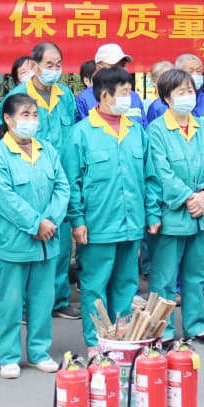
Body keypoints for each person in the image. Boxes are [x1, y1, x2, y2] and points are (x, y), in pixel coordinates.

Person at [0, 94, 70, 378]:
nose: (31, 120)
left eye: (34, 115)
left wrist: (50, 221)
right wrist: (35, 224)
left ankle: (39, 352)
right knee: (9, 303)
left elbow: (62, 187)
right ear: (8, 119)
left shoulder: (47, 150)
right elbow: (5, 198)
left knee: (42, 301)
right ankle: (9, 356)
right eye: (24, 114)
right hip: (13, 241)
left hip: (47, 240)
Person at [65, 67, 147, 352]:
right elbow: (71, 182)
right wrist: (77, 220)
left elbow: (148, 177)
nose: (129, 98)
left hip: (131, 222)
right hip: (97, 224)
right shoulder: (81, 134)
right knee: (95, 286)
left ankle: (121, 341)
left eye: (129, 91)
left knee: (126, 284)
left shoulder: (136, 131)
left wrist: (150, 216)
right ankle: (96, 342)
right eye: (124, 92)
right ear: (104, 95)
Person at [144, 68, 204, 345]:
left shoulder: (202, 127)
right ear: (167, 98)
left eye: (190, 91)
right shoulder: (156, 130)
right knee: (164, 277)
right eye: (181, 92)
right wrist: (189, 198)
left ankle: (196, 325)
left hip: (203, 212)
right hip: (174, 213)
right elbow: (160, 171)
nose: (187, 96)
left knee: (196, 274)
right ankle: (161, 330)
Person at [5, 41, 81, 320]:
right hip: (28, 178)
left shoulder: (65, 95)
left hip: (60, 177)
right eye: (49, 64)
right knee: (29, 241)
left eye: (58, 64)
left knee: (59, 243)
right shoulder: (17, 96)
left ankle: (59, 299)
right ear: (34, 65)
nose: (54, 69)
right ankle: (27, 305)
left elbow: (70, 136)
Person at [74, 42, 148, 124]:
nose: (119, 70)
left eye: (123, 65)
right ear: (98, 68)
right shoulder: (85, 98)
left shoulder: (134, 97)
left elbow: (143, 128)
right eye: (114, 66)